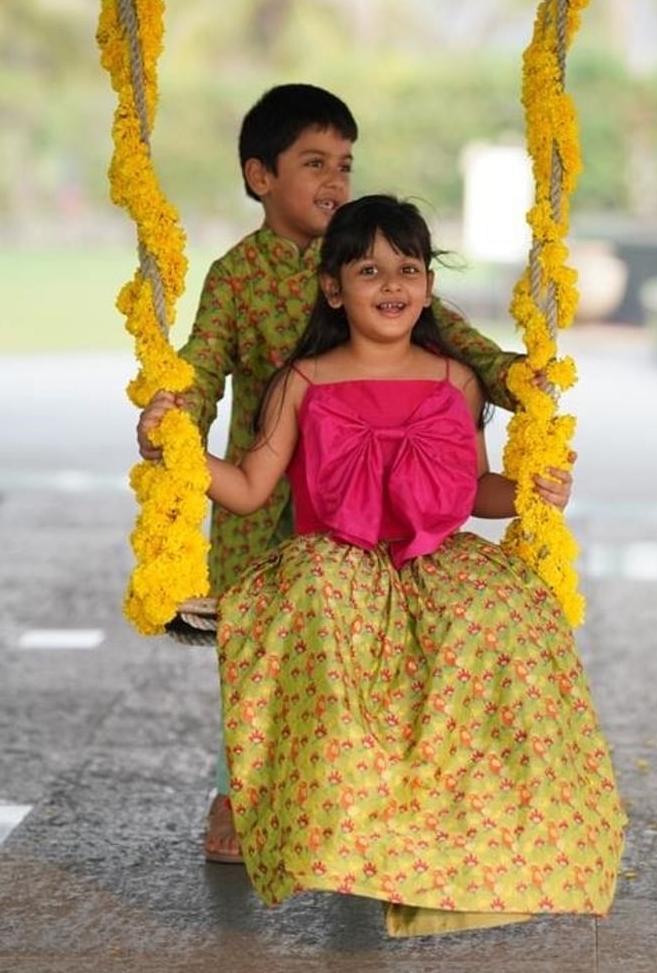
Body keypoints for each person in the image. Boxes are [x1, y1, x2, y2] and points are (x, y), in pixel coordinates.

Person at [192, 194, 625, 936]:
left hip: (433, 558)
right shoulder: (303, 380)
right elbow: (251, 487)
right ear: (335, 288)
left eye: (409, 268)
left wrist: (529, 491)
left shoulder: (453, 380)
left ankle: (490, 825)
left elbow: (470, 490)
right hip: (338, 560)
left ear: (428, 285)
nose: (392, 284)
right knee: (324, 617)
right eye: (369, 270)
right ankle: (341, 829)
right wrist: (177, 455)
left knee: (501, 612)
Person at [136, 84, 523, 863]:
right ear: (260, 177)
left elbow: (467, 352)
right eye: (314, 163)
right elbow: (204, 367)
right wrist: (173, 425)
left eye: (345, 164)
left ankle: (364, 793)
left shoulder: (368, 260)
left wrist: (524, 386)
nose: (335, 181)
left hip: (376, 501)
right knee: (256, 653)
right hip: (264, 495)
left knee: (367, 651)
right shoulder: (236, 275)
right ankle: (240, 794)